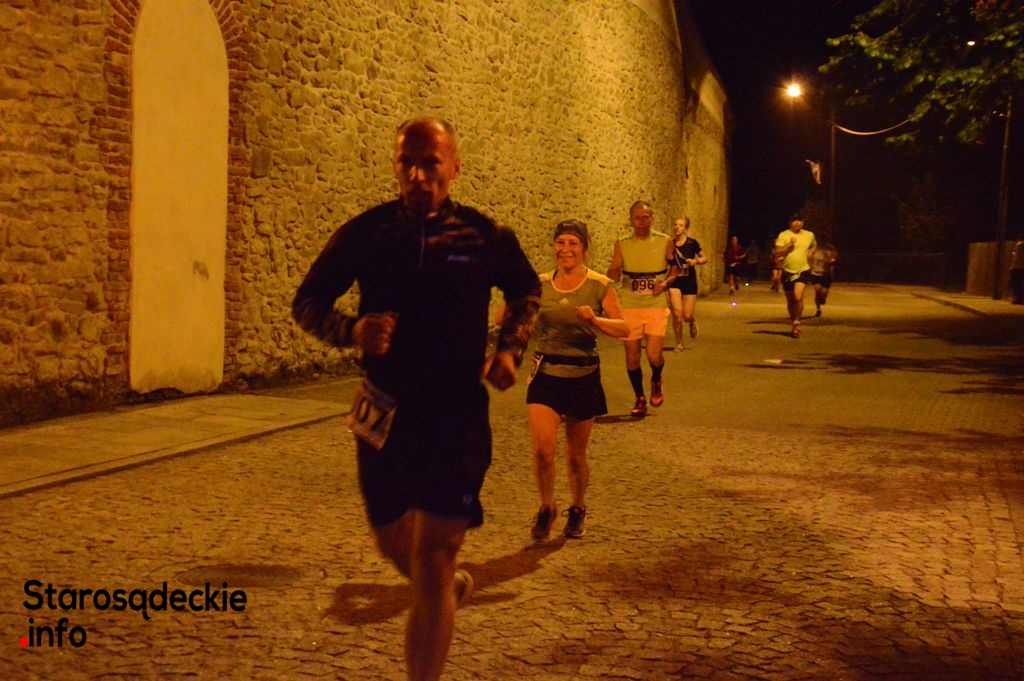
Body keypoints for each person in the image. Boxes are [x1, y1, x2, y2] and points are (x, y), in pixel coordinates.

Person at [291, 117, 540, 681]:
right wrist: (351, 331)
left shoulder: (483, 237)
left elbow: (526, 289)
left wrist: (509, 350)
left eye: (431, 163)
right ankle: (443, 586)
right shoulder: (368, 234)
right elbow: (307, 301)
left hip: (455, 415)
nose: (419, 176)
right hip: (385, 410)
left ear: (454, 167)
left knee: (433, 554)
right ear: (396, 166)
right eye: (408, 163)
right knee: (393, 543)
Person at [524, 219, 628, 541]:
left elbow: (624, 328)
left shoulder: (599, 285)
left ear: (584, 248)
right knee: (543, 450)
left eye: (573, 243)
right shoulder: (540, 283)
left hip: (583, 375)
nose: (566, 249)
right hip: (546, 373)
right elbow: (507, 316)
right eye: (561, 242)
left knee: (574, 455)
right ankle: (546, 507)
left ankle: (578, 507)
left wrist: (594, 319)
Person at [606, 201, 676, 417]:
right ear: (631, 221)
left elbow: (676, 268)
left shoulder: (665, 241)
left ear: (652, 219)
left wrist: (665, 283)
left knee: (654, 355)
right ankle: (640, 397)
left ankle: (656, 377)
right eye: (638, 218)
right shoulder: (622, 244)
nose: (642, 222)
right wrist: (613, 274)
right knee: (632, 357)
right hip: (630, 305)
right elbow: (614, 270)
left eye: (646, 217)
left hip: (655, 305)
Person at [773, 214, 817, 338]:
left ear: (803, 223)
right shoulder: (783, 235)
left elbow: (814, 245)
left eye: (799, 221)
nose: (797, 223)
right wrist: (788, 247)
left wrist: (811, 251)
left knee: (798, 297)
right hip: (787, 270)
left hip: (802, 269)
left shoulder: (809, 235)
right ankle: (794, 322)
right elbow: (777, 252)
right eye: (794, 221)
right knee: (790, 299)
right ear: (790, 223)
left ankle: (797, 322)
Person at [667, 217, 707, 351]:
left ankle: (692, 320)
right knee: (677, 314)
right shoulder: (670, 244)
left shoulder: (692, 243)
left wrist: (695, 261)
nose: (677, 227)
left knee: (686, 315)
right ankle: (679, 343)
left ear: (686, 229)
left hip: (689, 281)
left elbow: (704, 258)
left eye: (680, 225)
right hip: (675, 281)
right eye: (675, 225)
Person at [808, 241, 838, 317]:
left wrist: (830, 260)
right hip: (815, 272)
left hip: (826, 273)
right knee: (817, 290)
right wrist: (810, 267)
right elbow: (809, 258)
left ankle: (823, 298)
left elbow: (834, 258)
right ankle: (818, 309)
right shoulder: (814, 248)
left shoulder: (830, 248)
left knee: (823, 292)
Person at [1009, 237, 1024, 304]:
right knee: (1019, 283)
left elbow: (1015, 256)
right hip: (1018, 266)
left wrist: (1012, 266)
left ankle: (1018, 298)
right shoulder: (1019, 245)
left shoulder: (1019, 245)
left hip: (1018, 267)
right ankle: (1019, 298)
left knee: (1017, 283)